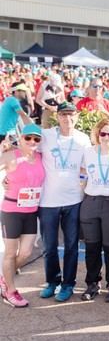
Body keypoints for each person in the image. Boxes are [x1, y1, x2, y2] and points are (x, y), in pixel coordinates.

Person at [38, 101, 91, 302]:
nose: (67, 119)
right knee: (49, 246)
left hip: (73, 200)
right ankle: (52, 281)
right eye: (63, 115)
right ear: (57, 117)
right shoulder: (47, 135)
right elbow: (28, 148)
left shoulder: (83, 139)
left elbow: (88, 167)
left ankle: (68, 284)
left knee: (71, 246)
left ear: (76, 117)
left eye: (71, 115)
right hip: (48, 201)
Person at [79, 118, 109, 302]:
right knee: (92, 247)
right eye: (103, 133)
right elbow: (82, 174)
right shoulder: (88, 152)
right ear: (97, 134)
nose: (107, 137)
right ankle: (92, 283)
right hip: (91, 201)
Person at [0, 124, 45, 307]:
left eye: (36, 139)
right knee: (10, 253)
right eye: (28, 138)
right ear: (21, 139)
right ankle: (10, 291)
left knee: (26, 252)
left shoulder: (41, 157)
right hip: (11, 211)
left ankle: (5, 278)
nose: (32, 142)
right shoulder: (11, 155)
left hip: (31, 211)